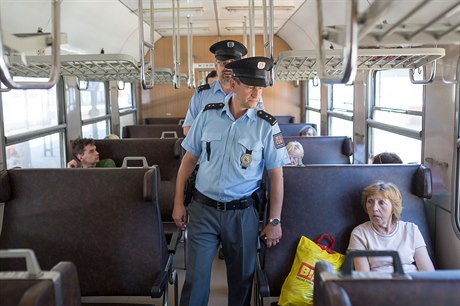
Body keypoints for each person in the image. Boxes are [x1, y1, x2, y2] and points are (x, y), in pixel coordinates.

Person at [172, 56, 290, 306]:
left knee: (241, 282)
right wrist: (178, 203)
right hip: (203, 209)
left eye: (260, 88)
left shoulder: (266, 126)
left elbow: (276, 175)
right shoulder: (207, 116)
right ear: (234, 84)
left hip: (242, 213)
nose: (256, 93)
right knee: (195, 280)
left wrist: (274, 220)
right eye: (250, 86)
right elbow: (189, 160)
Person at [182, 40, 264, 136]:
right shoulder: (201, 94)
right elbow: (187, 128)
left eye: (233, 64)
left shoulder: (251, 94)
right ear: (216, 66)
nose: (228, 68)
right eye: (224, 63)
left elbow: (260, 127)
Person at [348, 181, 435, 272]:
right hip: (379, 283)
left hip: (412, 282)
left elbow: (428, 272)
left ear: (393, 208)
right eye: (370, 201)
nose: (374, 208)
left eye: (381, 203)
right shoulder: (359, 233)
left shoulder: (411, 229)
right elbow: (363, 277)